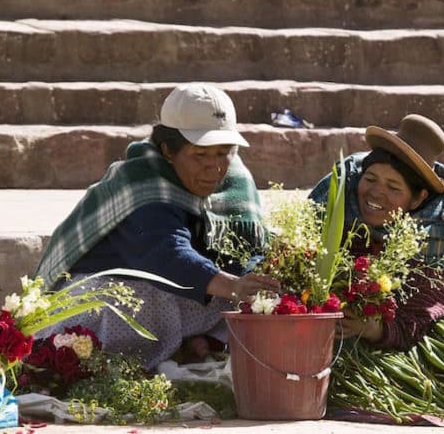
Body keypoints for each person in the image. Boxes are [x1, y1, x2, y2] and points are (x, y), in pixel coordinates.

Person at [33, 83, 279, 369]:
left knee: (260, 286)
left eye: (223, 152)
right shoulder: (142, 184)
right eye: (200, 155)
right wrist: (235, 286)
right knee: (118, 305)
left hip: (174, 293)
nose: (214, 167)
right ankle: (107, 366)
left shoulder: (235, 180)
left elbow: (251, 250)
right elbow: (168, 256)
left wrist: (257, 279)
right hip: (108, 293)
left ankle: (197, 342)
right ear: (168, 151)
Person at [309, 114, 444, 348]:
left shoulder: (437, 243)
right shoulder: (345, 209)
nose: (375, 193)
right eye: (370, 179)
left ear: (418, 198)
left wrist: (373, 329)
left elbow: (416, 322)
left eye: (393, 187)